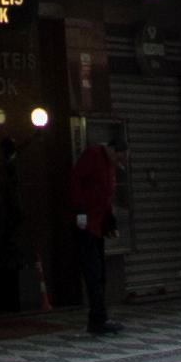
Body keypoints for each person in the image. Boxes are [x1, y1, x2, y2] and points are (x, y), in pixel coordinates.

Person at [72, 122, 120, 335]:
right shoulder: (93, 155)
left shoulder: (110, 166)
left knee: (99, 272)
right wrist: (80, 210)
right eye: (120, 156)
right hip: (85, 225)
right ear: (113, 150)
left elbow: (106, 196)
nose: (120, 162)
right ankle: (98, 318)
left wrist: (110, 221)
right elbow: (76, 180)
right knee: (93, 271)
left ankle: (99, 316)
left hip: (97, 225)